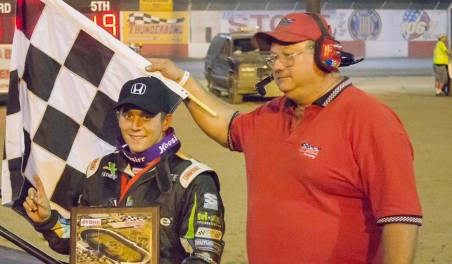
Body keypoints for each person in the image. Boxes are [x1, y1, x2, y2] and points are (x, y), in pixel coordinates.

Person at [146, 12, 422, 263]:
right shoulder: (270, 115)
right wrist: (181, 81)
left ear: (326, 54)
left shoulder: (370, 119)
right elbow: (224, 125)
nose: (277, 65)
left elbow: (400, 218)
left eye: (288, 55)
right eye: (273, 57)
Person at [23, 76, 225, 263]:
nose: (135, 126)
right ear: (118, 118)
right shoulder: (98, 170)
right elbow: (82, 242)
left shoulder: (194, 180)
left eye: (146, 117)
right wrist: (48, 221)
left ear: (166, 121)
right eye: (128, 115)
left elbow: (205, 257)